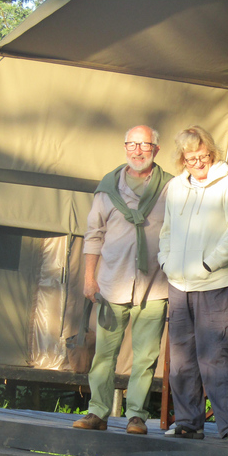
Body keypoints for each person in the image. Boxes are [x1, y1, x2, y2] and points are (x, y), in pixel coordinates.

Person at [72, 125, 173, 435]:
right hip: (111, 283)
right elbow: (93, 235)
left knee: (146, 355)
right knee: (104, 354)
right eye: (131, 144)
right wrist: (89, 279)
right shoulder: (107, 188)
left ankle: (136, 415)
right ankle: (97, 412)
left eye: (144, 144)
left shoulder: (172, 188)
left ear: (156, 149)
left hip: (154, 285)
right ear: (125, 148)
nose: (137, 150)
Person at [158, 125, 228, 444]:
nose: (197, 162)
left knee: (215, 354)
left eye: (202, 155)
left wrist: (208, 264)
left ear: (211, 153)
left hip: (213, 283)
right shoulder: (175, 187)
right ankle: (187, 422)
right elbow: (166, 230)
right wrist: (165, 261)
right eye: (190, 157)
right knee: (181, 357)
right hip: (178, 284)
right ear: (182, 158)